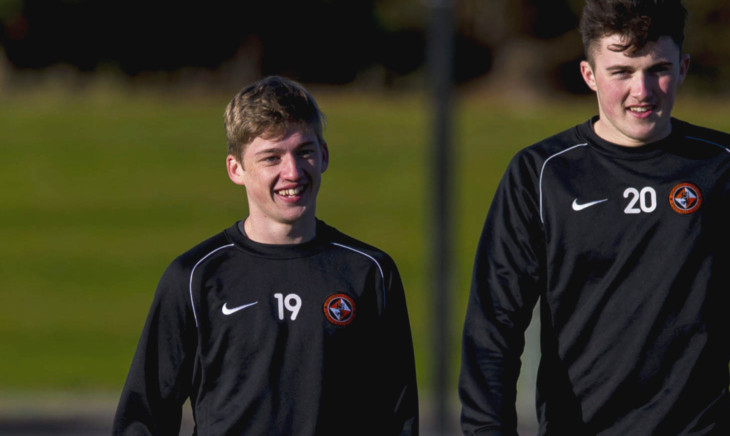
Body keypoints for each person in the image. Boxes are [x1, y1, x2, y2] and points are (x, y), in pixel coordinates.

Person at [459, 0, 730, 434]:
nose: (641, 91)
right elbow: (493, 327)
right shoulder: (543, 173)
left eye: (657, 68)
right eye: (621, 72)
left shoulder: (720, 166)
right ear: (589, 74)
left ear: (683, 68)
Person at [113, 76, 419, 435]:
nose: (292, 172)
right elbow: (143, 419)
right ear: (236, 169)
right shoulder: (195, 277)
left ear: (324, 155)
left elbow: (398, 418)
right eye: (271, 157)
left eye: (303, 151)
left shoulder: (369, 273)